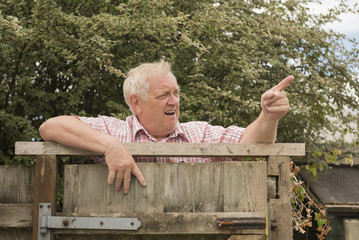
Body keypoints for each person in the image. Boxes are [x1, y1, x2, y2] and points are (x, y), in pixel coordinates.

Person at [39, 60, 293, 194]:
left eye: (176, 93)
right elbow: (50, 127)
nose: (174, 101)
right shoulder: (116, 131)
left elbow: (252, 144)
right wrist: (109, 146)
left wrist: (268, 116)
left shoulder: (200, 133)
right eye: (164, 95)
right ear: (136, 103)